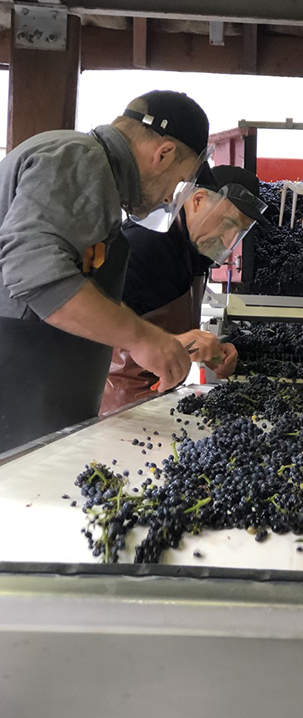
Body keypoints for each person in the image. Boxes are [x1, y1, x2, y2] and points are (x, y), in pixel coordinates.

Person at [0, 90, 209, 450]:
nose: (166, 200)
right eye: (178, 184)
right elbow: (36, 276)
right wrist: (141, 338)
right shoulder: (79, 159)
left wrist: (154, 340)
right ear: (164, 154)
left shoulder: (96, 174)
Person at [100, 164, 268, 414]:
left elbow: (163, 328)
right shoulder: (143, 245)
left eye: (239, 232)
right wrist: (175, 343)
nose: (227, 241)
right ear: (198, 200)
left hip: (157, 402)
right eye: (227, 224)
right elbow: (94, 326)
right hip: (117, 411)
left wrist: (207, 349)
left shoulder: (196, 253)